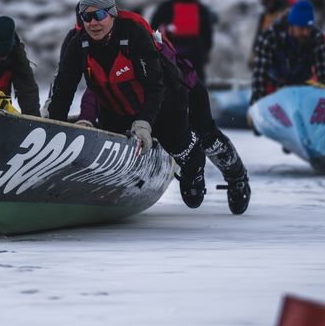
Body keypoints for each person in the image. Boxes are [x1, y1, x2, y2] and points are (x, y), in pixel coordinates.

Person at [46, 0, 207, 209]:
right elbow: (64, 89)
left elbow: (154, 85)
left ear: (111, 15)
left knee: (181, 146)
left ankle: (194, 171)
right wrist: (54, 126)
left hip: (161, 104)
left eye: (99, 15)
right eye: (86, 17)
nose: (93, 23)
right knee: (111, 149)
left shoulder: (134, 35)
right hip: (115, 109)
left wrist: (144, 123)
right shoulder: (78, 45)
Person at [77, 16, 251, 215]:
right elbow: (95, 91)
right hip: (150, 103)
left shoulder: (134, 44)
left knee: (207, 136)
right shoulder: (93, 51)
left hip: (185, 89)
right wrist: (87, 119)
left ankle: (237, 178)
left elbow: (164, 89)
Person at [250, 0, 325, 105]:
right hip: (274, 92)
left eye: (308, 28)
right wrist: (256, 104)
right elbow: (259, 74)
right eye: (302, 29)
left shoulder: (317, 38)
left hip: (303, 91)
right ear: (291, 26)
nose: (306, 33)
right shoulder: (270, 37)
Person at [149, 0, 214, 81]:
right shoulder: (200, 8)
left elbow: (153, 25)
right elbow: (207, 32)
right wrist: (205, 51)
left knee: (172, 83)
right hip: (195, 53)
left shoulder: (167, 6)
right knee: (196, 84)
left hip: (172, 52)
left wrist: (157, 46)